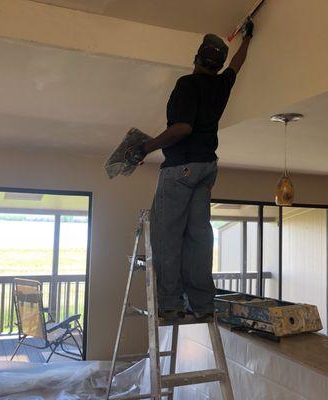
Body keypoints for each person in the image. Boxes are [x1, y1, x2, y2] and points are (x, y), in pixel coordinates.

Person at [126, 20, 254, 319]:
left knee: (167, 236)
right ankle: (203, 304)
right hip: (206, 168)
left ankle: (170, 303)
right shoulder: (221, 85)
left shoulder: (187, 84)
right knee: (199, 237)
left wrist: (146, 147)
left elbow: (183, 127)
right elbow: (238, 64)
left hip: (181, 169)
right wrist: (247, 38)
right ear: (217, 64)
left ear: (196, 58)